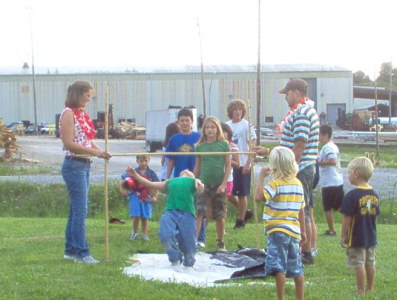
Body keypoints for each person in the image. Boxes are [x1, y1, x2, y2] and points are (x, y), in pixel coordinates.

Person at [254, 78, 319, 265]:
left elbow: (299, 144)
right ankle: (306, 249)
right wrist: (268, 151)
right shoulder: (302, 111)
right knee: (304, 208)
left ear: (297, 93)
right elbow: (288, 145)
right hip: (303, 166)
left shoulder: (302, 113)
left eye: (287, 93)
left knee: (301, 208)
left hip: (301, 168)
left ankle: (305, 253)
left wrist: (290, 170)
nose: (286, 98)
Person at [59, 80, 111, 264]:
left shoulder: (81, 114)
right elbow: (69, 143)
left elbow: (87, 140)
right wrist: (94, 152)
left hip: (84, 164)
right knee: (80, 212)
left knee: (75, 211)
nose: (89, 99)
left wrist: (100, 151)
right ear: (78, 94)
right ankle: (82, 253)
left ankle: (70, 250)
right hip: (74, 165)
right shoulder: (68, 114)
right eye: (87, 95)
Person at [254, 146, 306, 300]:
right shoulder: (298, 184)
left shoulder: (275, 184)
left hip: (277, 230)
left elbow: (258, 197)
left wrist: (261, 177)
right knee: (296, 266)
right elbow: (301, 210)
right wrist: (303, 231)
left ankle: (281, 298)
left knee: (279, 267)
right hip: (294, 231)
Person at [126, 167, 204, 267]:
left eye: (188, 173)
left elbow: (201, 187)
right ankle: (175, 259)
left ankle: (189, 262)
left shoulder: (193, 181)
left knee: (189, 240)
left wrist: (198, 182)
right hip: (170, 212)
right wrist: (135, 175)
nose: (186, 171)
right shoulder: (170, 182)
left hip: (187, 213)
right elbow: (150, 184)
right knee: (165, 234)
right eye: (184, 173)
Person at [165, 108, 206, 247]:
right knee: (181, 209)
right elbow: (170, 160)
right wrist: (167, 177)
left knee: (197, 208)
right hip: (179, 179)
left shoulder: (198, 138)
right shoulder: (174, 139)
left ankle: (200, 238)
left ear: (192, 122)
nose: (184, 123)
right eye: (182, 120)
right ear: (178, 122)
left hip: (196, 178)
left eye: (187, 120)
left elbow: (203, 158)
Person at [340, 157, 380, 295]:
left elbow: (347, 217)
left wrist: (343, 235)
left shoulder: (352, 195)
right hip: (371, 236)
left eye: (349, 172)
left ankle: (360, 290)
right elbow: (375, 217)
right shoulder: (374, 194)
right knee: (370, 262)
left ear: (356, 173)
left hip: (356, 237)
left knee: (359, 264)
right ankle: (370, 287)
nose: (348, 175)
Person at [194, 117, 231, 251]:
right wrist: (194, 180)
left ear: (217, 129)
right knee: (199, 212)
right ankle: (195, 240)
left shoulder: (224, 145)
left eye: (213, 127)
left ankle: (220, 242)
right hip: (203, 184)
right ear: (204, 130)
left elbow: (227, 166)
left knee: (219, 214)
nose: (210, 130)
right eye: (207, 127)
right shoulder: (200, 146)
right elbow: (197, 168)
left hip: (219, 184)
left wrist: (223, 184)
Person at [226, 99, 256, 229]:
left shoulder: (246, 125)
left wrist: (249, 163)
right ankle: (245, 211)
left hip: (243, 163)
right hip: (230, 163)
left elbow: (252, 146)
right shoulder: (226, 125)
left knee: (242, 193)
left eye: (240, 109)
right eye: (235, 109)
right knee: (228, 192)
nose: (237, 112)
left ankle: (241, 220)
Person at [119, 154, 159, 241]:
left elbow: (157, 185)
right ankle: (134, 232)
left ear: (149, 161)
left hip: (146, 198)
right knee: (136, 216)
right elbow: (123, 179)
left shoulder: (151, 173)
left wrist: (155, 196)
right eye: (141, 161)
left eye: (146, 161)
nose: (144, 163)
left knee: (145, 217)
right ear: (137, 161)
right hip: (134, 197)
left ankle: (144, 234)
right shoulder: (134, 172)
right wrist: (122, 190)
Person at [318, 125, 344, 236]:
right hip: (336, 181)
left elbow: (332, 161)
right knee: (340, 207)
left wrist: (320, 162)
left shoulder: (328, 147)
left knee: (327, 207)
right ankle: (353, 223)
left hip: (330, 183)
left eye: (319, 135)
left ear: (325, 135)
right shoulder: (333, 146)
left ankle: (331, 230)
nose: (318, 137)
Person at [221, 122, 240, 223]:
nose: (222, 134)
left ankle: (222, 228)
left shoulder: (232, 146)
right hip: (214, 178)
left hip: (227, 179)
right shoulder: (213, 145)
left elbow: (237, 164)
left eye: (223, 132)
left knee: (224, 202)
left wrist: (226, 159)